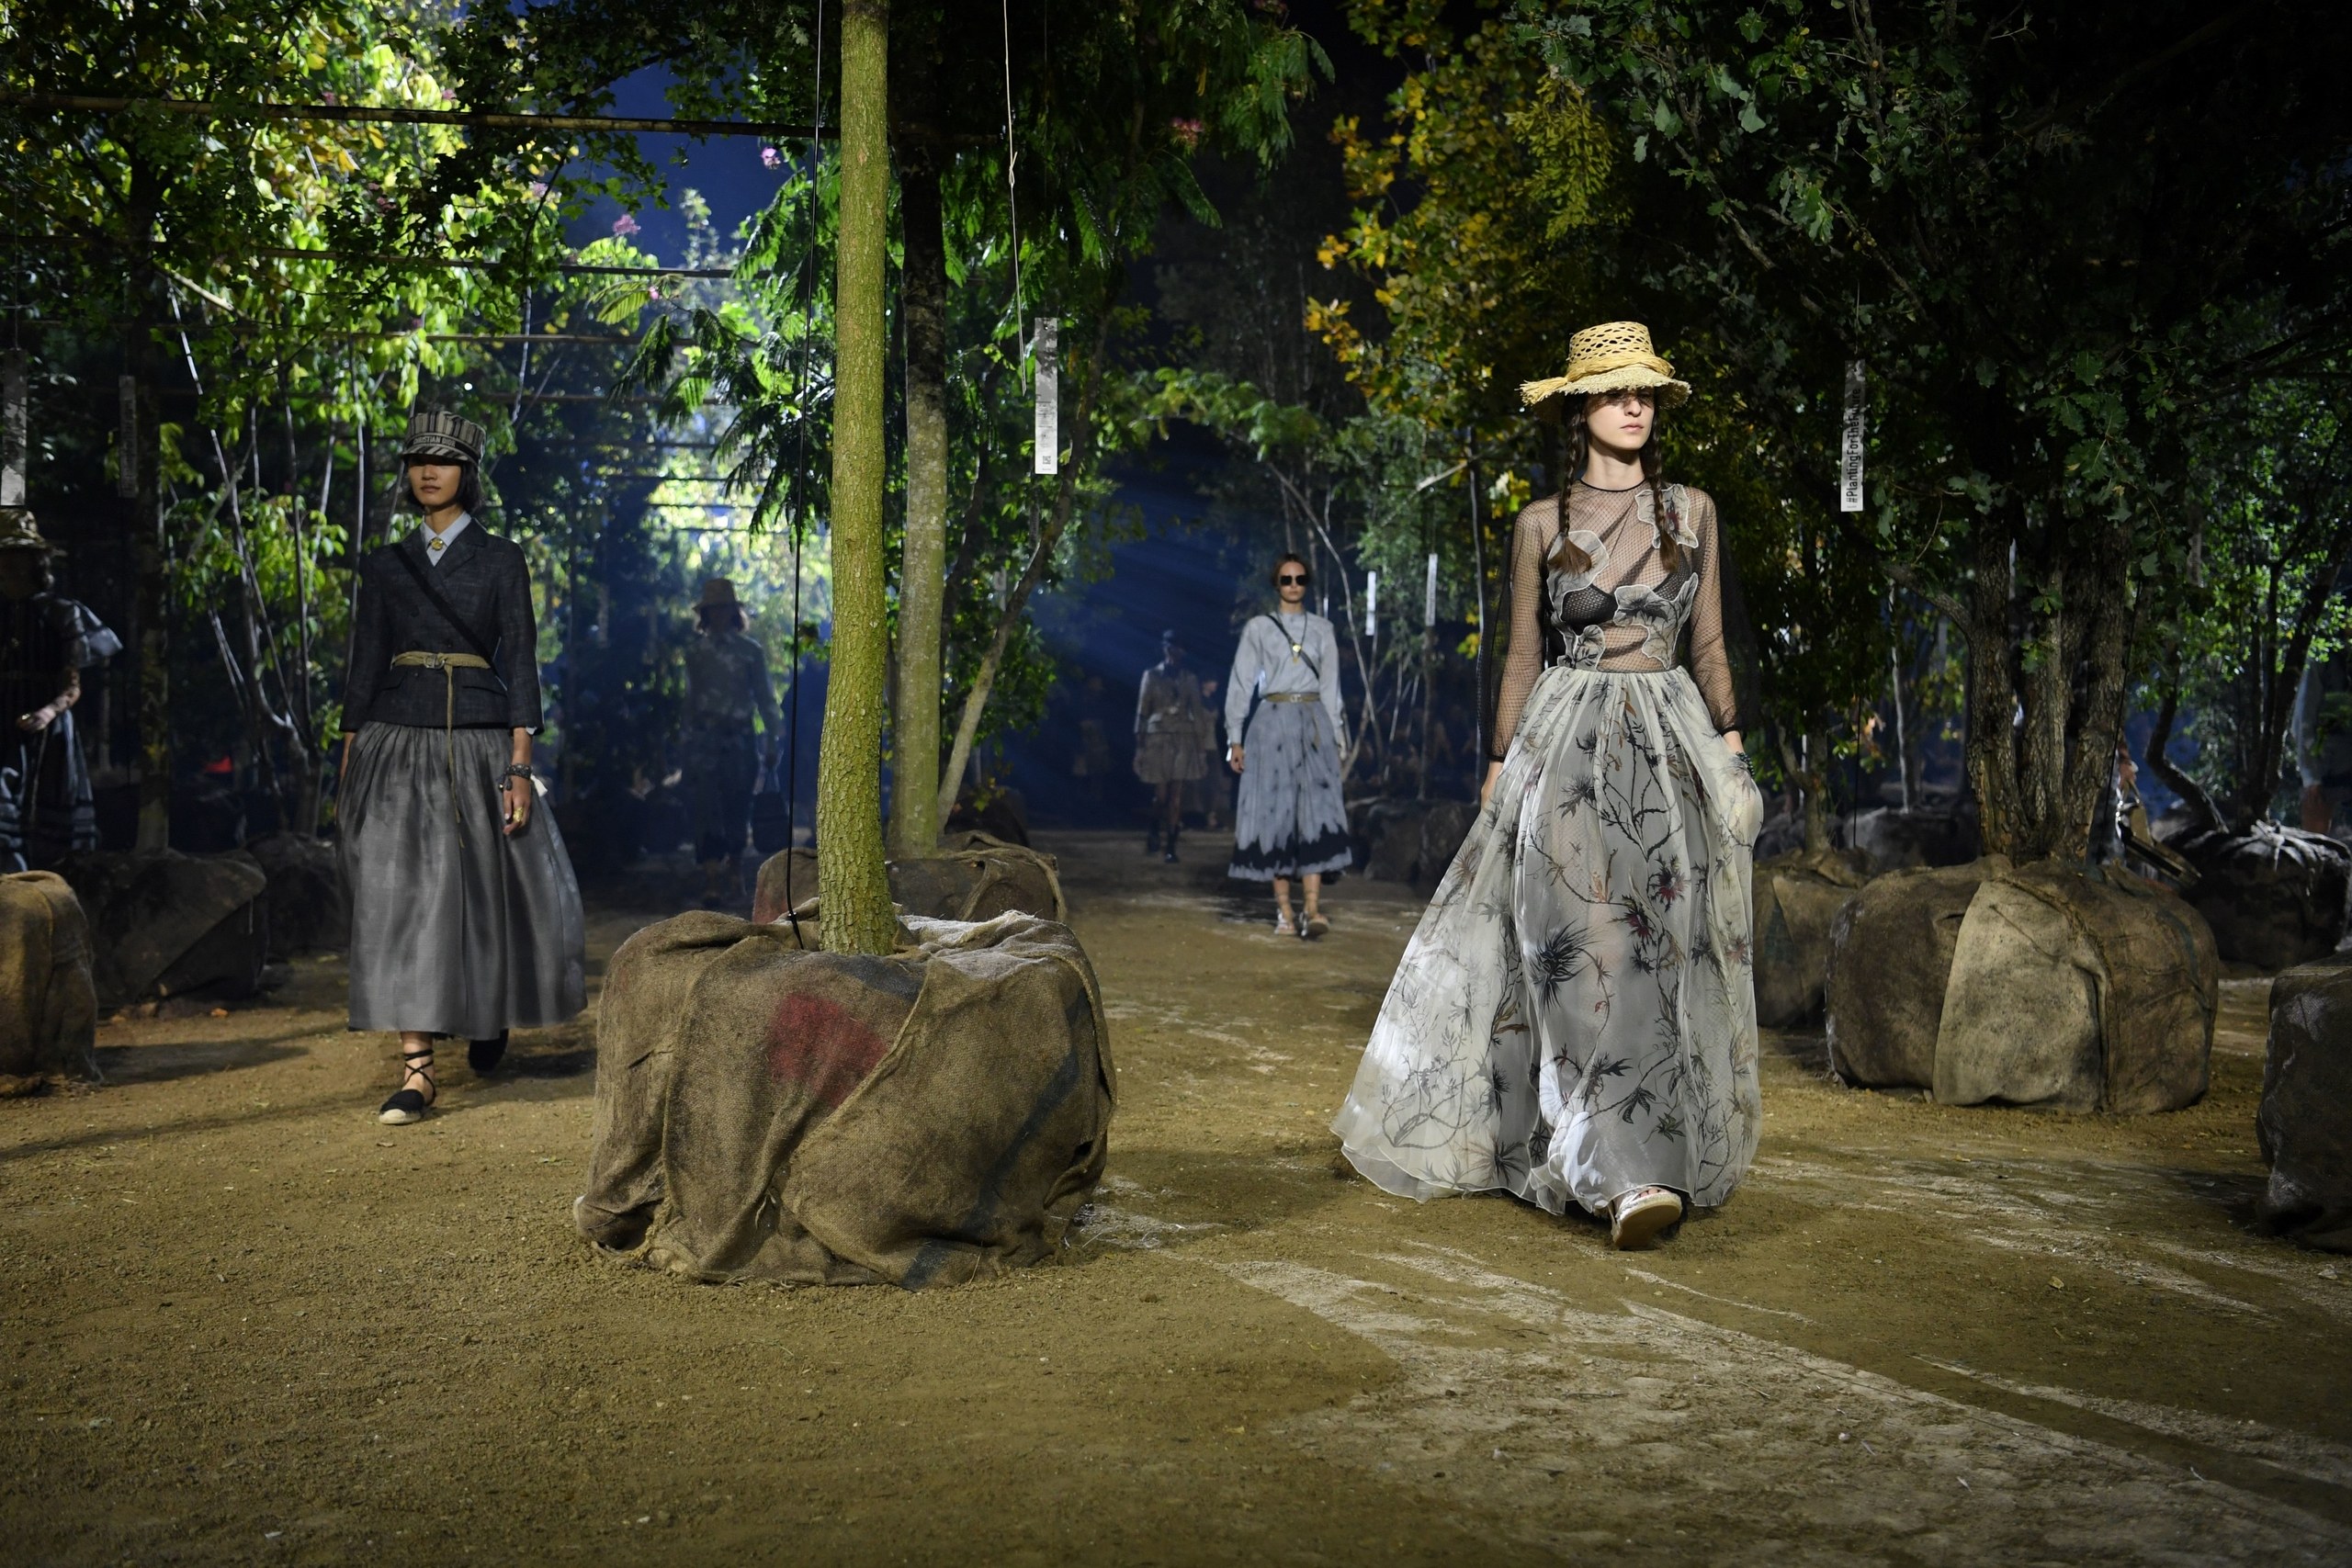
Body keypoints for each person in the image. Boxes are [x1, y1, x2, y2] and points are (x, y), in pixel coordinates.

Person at [1331, 321, 1764, 1250]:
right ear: (1579, 407)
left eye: (1645, 391)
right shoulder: (1539, 523)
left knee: (1657, 951)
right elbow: (1522, 654)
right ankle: (1615, 1175)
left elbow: (1710, 642)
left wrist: (1732, 752)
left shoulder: (1692, 511)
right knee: (1576, 945)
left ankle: (1638, 1158)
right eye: (1614, 391)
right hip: (1564, 748)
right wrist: (1499, 765)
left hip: (1668, 751)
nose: (1635, 405)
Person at [339, 409, 586, 1125]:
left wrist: (520, 765)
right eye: (418, 459)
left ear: (467, 474)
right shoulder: (385, 565)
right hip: (396, 740)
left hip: (480, 739)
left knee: (480, 892)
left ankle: (487, 1010)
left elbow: (523, 660)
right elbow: (364, 663)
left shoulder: (503, 559)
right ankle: (417, 1069)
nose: (428, 470)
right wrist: (350, 756)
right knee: (400, 898)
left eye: (443, 460)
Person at [1225, 554, 1351, 936]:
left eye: (1299, 579)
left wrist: (1338, 738)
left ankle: (1312, 909)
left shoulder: (1323, 629)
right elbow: (1241, 682)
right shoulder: (1259, 628)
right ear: (1276, 584)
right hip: (1271, 724)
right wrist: (1234, 738)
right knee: (1275, 815)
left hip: (1313, 722)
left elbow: (1331, 688)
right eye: (1286, 579)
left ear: (1306, 583)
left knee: (1315, 814)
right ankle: (1284, 912)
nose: (1293, 585)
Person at [0, 508, 119, 872]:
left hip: (45, 727)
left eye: (19, 555)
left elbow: (72, 684)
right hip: (2, 719)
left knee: (46, 815)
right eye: (5, 554)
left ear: (36, 561)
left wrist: (47, 712)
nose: (10, 564)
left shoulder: (61, 612)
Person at [682, 577, 782, 905]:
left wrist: (772, 741)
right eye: (714, 609)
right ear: (706, 614)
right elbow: (689, 700)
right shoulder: (696, 653)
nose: (719, 614)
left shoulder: (750, 652)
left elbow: (765, 697)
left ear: (733, 612)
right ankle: (712, 876)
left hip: (739, 739)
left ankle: (735, 871)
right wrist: (685, 742)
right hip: (704, 740)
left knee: (738, 805)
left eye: (724, 608)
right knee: (705, 807)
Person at [1133, 630, 1210, 862]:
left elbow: (1197, 713)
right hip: (1158, 737)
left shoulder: (1189, 678)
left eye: (1178, 647)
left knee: (1176, 796)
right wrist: (1139, 748)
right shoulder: (1151, 675)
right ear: (1164, 648)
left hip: (1182, 738)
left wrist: (1201, 748)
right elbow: (1142, 711)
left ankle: (1171, 847)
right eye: (1171, 647)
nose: (1174, 651)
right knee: (1161, 795)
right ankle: (1154, 828)